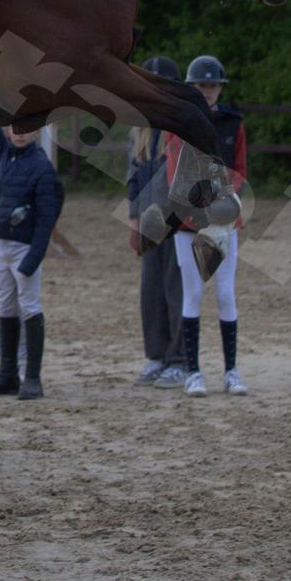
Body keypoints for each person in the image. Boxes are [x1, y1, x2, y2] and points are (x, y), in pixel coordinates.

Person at [166, 55, 249, 398]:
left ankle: (231, 371)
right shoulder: (178, 124)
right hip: (189, 221)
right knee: (194, 294)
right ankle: (194, 372)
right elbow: (175, 174)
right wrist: (201, 205)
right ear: (192, 88)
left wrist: (223, 198)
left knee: (226, 294)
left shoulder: (233, 123)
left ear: (220, 88)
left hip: (224, 219)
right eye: (202, 85)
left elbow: (240, 169)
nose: (208, 90)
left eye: (213, 85)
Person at [0, 125, 64, 400]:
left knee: (29, 306)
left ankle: (33, 377)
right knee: (5, 306)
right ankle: (7, 374)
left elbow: (47, 217)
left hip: (24, 247)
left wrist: (34, 257)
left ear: (37, 131)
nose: (20, 132)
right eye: (15, 127)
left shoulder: (42, 167)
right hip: (0, 244)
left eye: (27, 128)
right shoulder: (4, 153)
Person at [127, 56, 187, 390]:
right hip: (149, 220)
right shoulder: (140, 128)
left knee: (176, 290)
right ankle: (156, 355)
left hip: (178, 220)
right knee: (151, 291)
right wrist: (134, 218)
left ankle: (179, 359)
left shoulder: (183, 126)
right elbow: (133, 177)